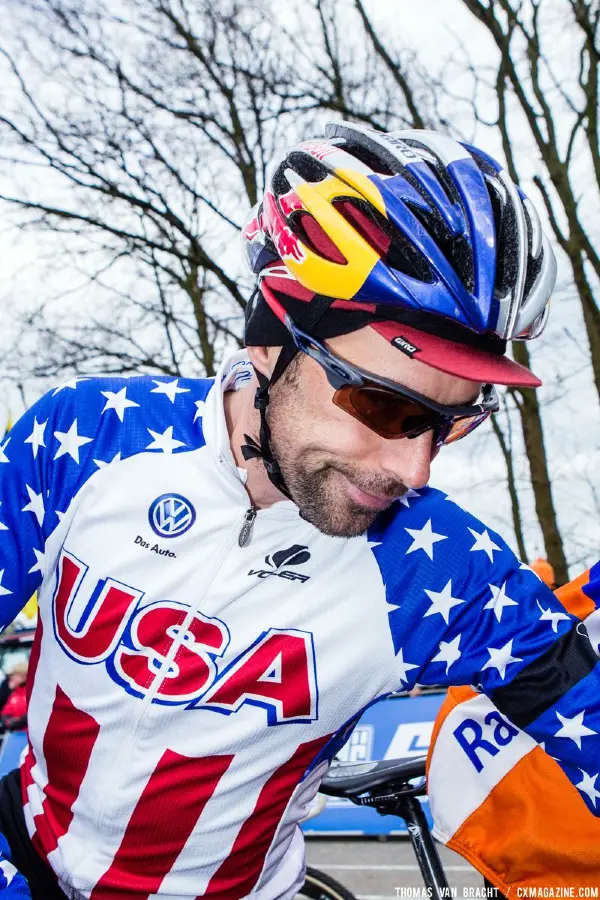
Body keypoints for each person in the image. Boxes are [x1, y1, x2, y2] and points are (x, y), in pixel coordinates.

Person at [0, 121, 597, 900]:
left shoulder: (439, 562)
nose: (413, 468)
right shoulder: (89, 437)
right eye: (381, 402)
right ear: (268, 339)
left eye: (451, 422)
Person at [0, 663, 28, 732]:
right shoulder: (14, 694)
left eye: (14, 675)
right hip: (15, 735)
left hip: (29, 736)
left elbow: (32, 716)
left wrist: (18, 721)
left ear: (23, 676)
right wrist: (9, 721)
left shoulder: (31, 693)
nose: (11, 678)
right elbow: (5, 714)